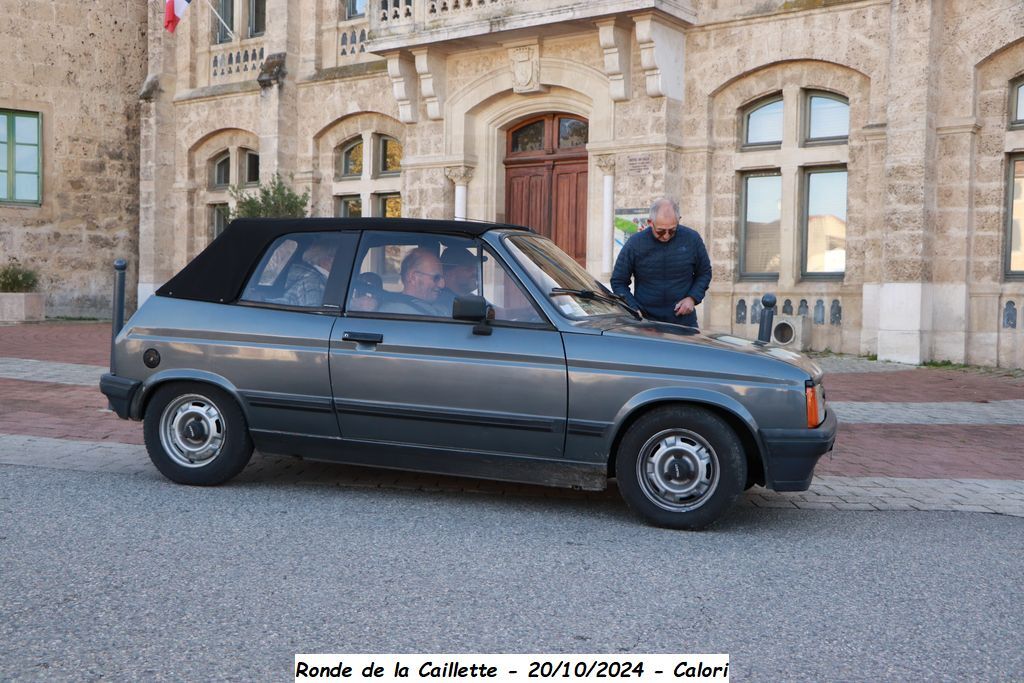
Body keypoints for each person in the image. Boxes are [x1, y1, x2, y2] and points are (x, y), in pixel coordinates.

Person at [611, 197, 712, 328]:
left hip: (684, 322)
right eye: (660, 231)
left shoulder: (692, 239)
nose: (666, 236)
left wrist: (692, 298)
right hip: (646, 323)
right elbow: (618, 281)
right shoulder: (635, 243)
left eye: (672, 231)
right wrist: (633, 308)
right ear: (650, 222)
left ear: (678, 220)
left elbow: (704, 273)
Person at [378, 247, 451, 316]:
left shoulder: (437, 306)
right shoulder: (396, 313)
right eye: (436, 278)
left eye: (443, 278)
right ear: (413, 277)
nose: (442, 285)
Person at [282, 236, 336, 307]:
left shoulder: (312, 278)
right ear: (326, 260)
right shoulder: (314, 282)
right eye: (337, 257)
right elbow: (316, 316)